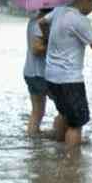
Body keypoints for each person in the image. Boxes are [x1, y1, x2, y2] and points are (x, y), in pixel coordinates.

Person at [39, 0, 92, 146]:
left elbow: (42, 23)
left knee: (64, 114)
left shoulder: (59, 11)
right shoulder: (80, 21)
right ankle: (71, 164)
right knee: (76, 124)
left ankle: (58, 155)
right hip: (70, 80)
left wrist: (49, 40)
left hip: (51, 76)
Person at [24, 8, 53, 136]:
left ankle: (33, 143)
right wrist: (55, 45)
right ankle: (62, 139)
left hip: (30, 72)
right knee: (65, 109)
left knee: (37, 111)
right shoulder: (41, 23)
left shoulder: (32, 20)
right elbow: (36, 49)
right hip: (40, 74)